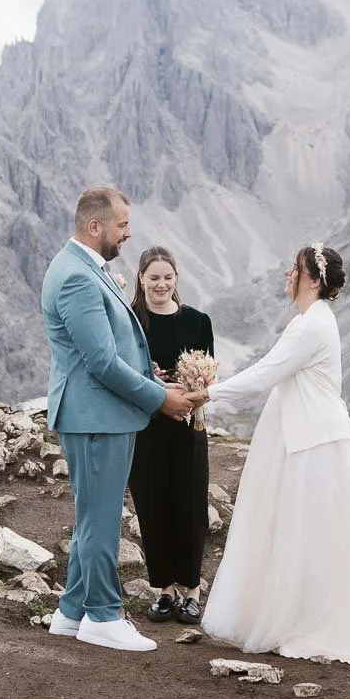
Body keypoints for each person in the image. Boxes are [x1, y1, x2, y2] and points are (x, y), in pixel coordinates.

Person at [199, 245, 350, 672]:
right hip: (306, 432)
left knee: (307, 528)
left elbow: (266, 374)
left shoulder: (309, 327)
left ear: (313, 279)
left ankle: (311, 619)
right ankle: (302, 611)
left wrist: (207, 392)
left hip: (310, 440)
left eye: (294, 269)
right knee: (313, 529)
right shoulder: (312, 321)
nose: (287, 275)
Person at [42, 187, 200, 652]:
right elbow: (99, 363)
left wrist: (146, 375)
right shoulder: (75, 276)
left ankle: (71, 613)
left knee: (95, 513)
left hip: (104, 413)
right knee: (101, 518)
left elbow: (113, 347)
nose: (128, 234)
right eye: (122, 226)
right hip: (95, 417)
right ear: (96, 227)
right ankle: (104, 616)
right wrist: (159, 400)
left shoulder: (89, 268)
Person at [126, 246, 215, 625]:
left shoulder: (198, 321)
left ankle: (192, 590)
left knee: (190, 504)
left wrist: (190, 390)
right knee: (152, 504)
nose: (161, 284)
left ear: (176, 280)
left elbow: (210, 375)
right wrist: (153, 383)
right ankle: (163, 589)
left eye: (167, 277)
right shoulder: (131, 321)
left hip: (188, 428)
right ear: (141, 279)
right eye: (154, 277)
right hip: (146, 428)